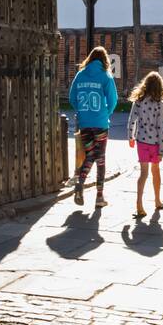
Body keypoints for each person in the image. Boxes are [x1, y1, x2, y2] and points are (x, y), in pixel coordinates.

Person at [68, 46, 119, 208]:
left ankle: (80, 183)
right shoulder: (106, 76)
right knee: (100, 159)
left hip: (85, 123)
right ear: (104, 60)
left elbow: (71, 97)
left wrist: (81, 111)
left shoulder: (80, 74)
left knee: (90, 154)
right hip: (100, 123)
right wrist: (106, 113)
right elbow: (113, 100)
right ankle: (99, 196)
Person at [127, 71, 163, 219]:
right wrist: (162, 150)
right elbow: (162, 129)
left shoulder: (138, 102)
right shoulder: (162, 105)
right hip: (155, 143)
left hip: (141, 141)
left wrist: (130, 137)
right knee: (155, 171)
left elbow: (131, 121)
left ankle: (139, 204)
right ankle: (157, 200)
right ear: (160, 87)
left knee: (143, 174)